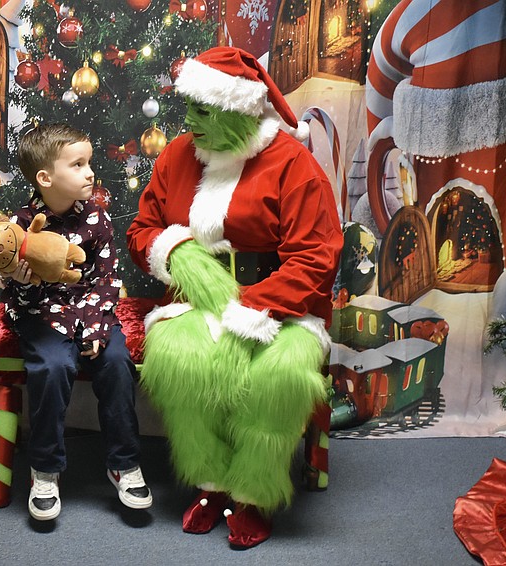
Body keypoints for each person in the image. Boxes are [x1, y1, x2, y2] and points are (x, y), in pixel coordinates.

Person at [127, 47, 342, 548]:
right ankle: (210, 483)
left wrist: (254, 307)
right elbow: (143, 230)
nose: (190, 123)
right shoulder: (177, 154)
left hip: (281, 304)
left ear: (239, 110)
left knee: (281, 372)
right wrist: (176, 253)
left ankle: (253, 490)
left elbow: (315, 256)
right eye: (190, 109)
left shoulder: (294, 164)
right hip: (193, 298)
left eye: (204, 111)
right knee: (179, 359)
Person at [2, 123, 152, 521]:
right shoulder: (19, 226)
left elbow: (106, 278)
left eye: (89, 163)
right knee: (53, 367)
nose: (90, 172)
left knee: (117, 365)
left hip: (92, 313)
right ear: (46, 178)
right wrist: (18, 276)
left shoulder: (98, 220)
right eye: (78, 164)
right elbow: (10, 284)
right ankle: (45, 469)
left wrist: (95, 327)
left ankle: (124, 462)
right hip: (41, 314)